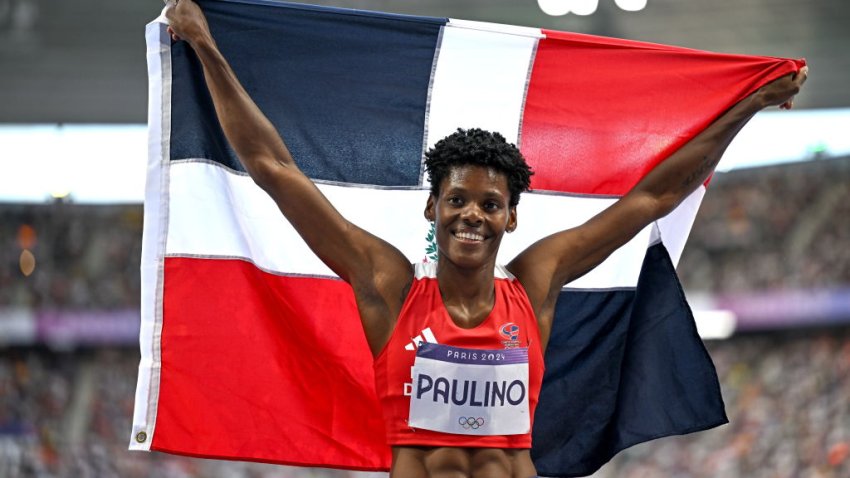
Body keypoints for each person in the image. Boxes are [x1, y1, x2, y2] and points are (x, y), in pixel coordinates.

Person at [163, 0, 807, 476]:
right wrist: (204, 46)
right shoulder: (387, 285)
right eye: (458, 200)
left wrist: (745, 105)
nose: (472, 215)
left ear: (511, 218)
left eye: (490, 204)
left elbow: (652, 197)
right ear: (432, 209)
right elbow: (276, 171)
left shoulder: (537, 282)